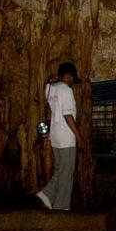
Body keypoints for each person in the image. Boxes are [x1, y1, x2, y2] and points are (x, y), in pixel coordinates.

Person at [35, 62, 86, 210]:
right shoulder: (66, 90)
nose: (72, 82)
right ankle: (62, 207)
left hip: (55, 136)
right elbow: (68, 115)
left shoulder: (50, 88)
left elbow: (50, 109)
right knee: (66, 174)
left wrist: (49, 81)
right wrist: (79, 137)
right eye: (72, 78)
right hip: (66, 137)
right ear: (68, 76)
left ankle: (46, 195)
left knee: (60, 170)